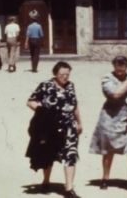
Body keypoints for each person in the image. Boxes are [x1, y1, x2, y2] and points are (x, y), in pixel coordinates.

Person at [89, 56, 127, 194]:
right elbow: (115, 94)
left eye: (123, 68)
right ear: (113, 66)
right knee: (109, 150)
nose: (120, 71)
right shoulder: (107, 79)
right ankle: (105, 178)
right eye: (118, 68)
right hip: (111, 119)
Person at [26, 61, 82, 198]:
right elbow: (30, 101)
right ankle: (46, 181)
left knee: (71, 155)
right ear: (55, 74)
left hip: (69, 126)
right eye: (62, 74)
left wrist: (79, 122)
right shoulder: (46, 85)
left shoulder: (71, 86)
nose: (65, 77)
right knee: (49, 154)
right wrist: (42, 111)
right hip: (50, 126)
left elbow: (75, 105)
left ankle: (69, 188)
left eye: (67, 74)